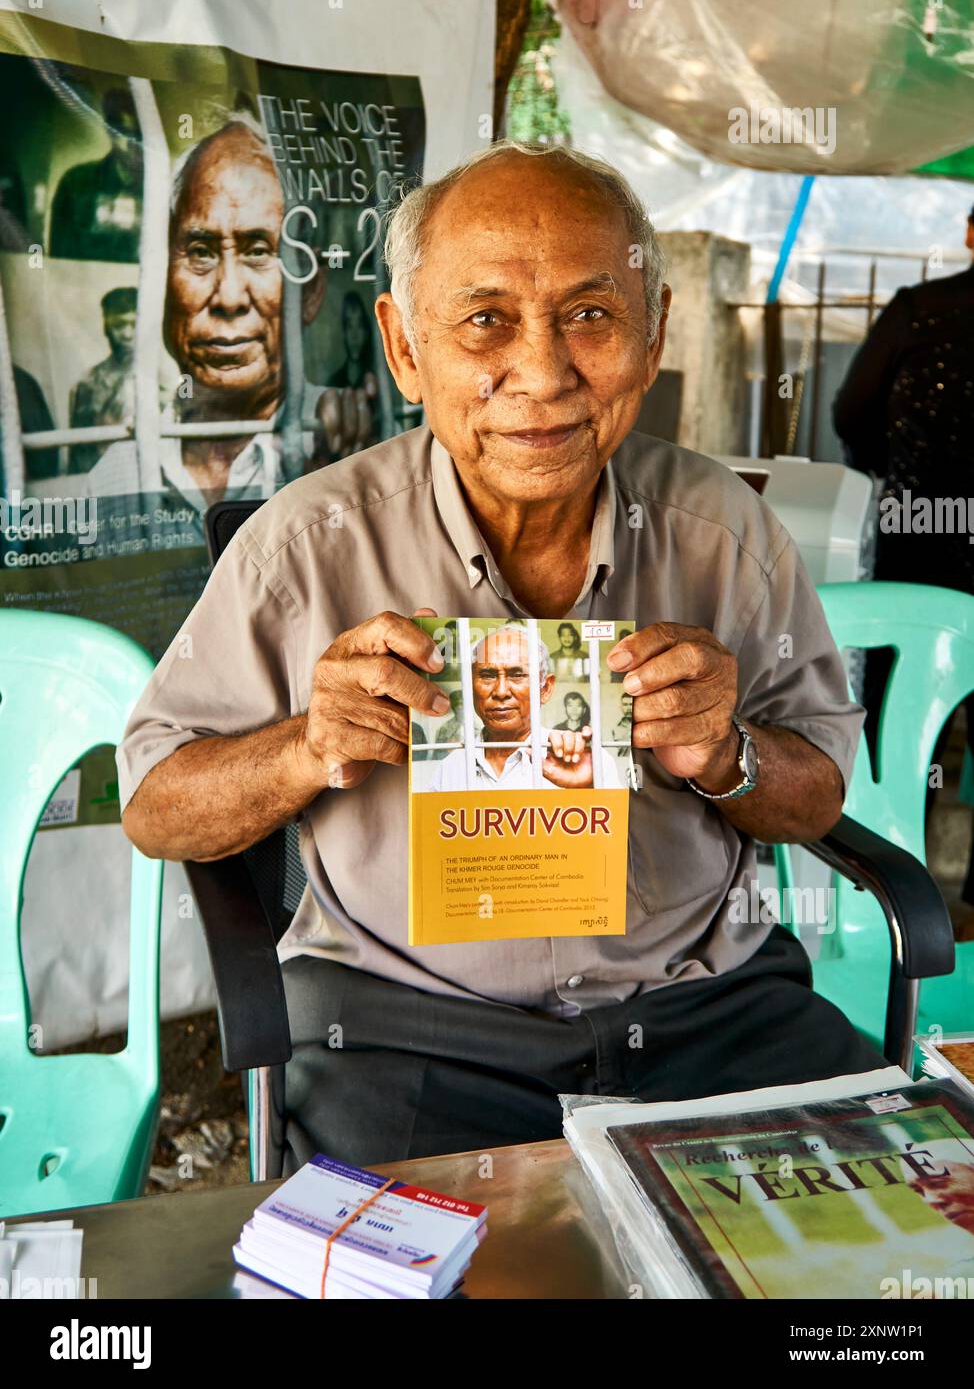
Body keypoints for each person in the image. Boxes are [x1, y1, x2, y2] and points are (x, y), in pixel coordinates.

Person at [118, 141, 878, 1171]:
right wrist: (305, 746)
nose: (542, 373)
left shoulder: (724, 535)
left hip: (709, 1015)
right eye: (484, 321)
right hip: (408, 1032)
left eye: (591, 315)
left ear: (652, 336)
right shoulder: (307, 545)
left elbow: (817, 795)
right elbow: (157, 805)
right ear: (403, 347)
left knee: (874, 1264)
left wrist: (730, 753)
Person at [85, 118, 374, 542]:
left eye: (258, 251)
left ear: (309, 292)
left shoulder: (354, 450)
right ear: (159, 283)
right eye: (200, 252)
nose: (229, 296)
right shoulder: (116, 475)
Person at [834, 203, 974, 900]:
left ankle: (892, 894)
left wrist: (894, 473)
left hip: (921, 543)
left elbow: (851, 412)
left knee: (902, 728)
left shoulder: (919, 312)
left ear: (970, 232)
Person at [428, 625, 619, 791]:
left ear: (545, 688)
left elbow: (615, 830)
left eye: (517, 675)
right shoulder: (450, 768)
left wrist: (587, 792)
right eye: (487, 675)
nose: (501, 691)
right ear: (470, 686)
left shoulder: (587, 762)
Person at [48, 88, 143, 263]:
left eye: (139, 136)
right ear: (111, 133)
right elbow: (59, 260)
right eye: (125, 133)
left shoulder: (164, 191)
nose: (133, 144)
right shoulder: (75, 183)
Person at [68, 287, 138, 474]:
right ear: (106, 327)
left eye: (134, 324)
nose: (127, 334)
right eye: (118, 325)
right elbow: (78, 452)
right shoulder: (88, 382)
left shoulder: (165, 378)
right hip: (101, 480)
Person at [432, 688, 464, 759]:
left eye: (462, 704)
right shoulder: (445, 728)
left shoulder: (477, 727)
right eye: (457, 704)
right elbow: (437, 756)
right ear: (452, 707)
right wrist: (448, 750)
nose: (459, 707)